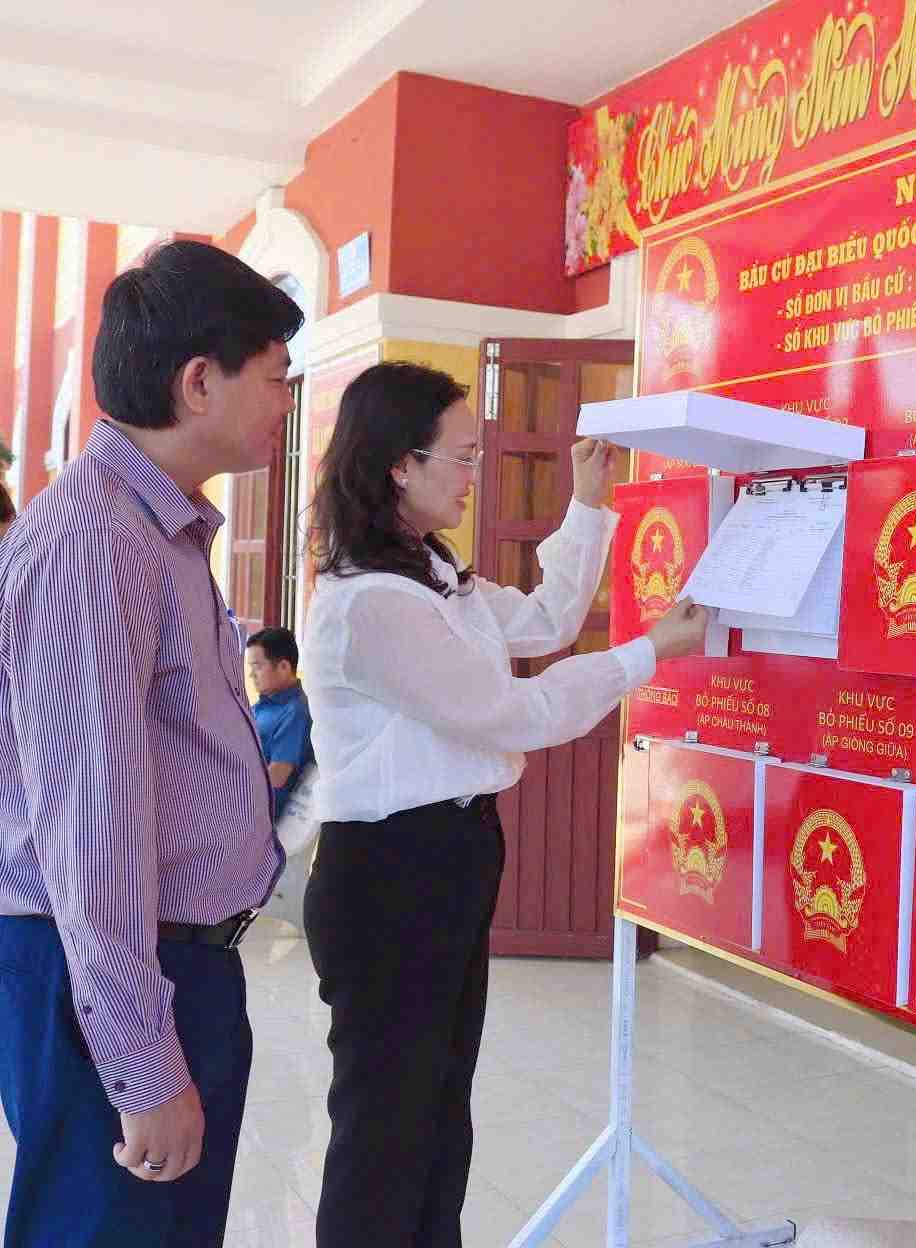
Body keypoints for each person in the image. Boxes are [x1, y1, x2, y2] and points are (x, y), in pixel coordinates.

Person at [300, 361, 707, 1248]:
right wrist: (647, 655)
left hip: (448, 860)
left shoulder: (433, 577)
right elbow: (508, 713)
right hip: (391, 875)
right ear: (400, 466)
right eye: (463, 455)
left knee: (440, 1110)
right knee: (385, 1130)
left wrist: (590, 500)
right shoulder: (369, 605)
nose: (474, 474)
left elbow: (547, 619)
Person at [0, 241, 299, 1246]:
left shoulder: (154, 528)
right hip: (109, 970)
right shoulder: (96, 541)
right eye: (276, 378)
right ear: (199, 381)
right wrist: (142, 1059)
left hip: (169, 964)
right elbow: (91, 833)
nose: (286, 403)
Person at [245, 627, 314, 817]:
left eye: (258, 666)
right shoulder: (263, 706)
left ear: (284, 667)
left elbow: (277, 776)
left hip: (257, 817)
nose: (252, 675)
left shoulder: (296, 712)